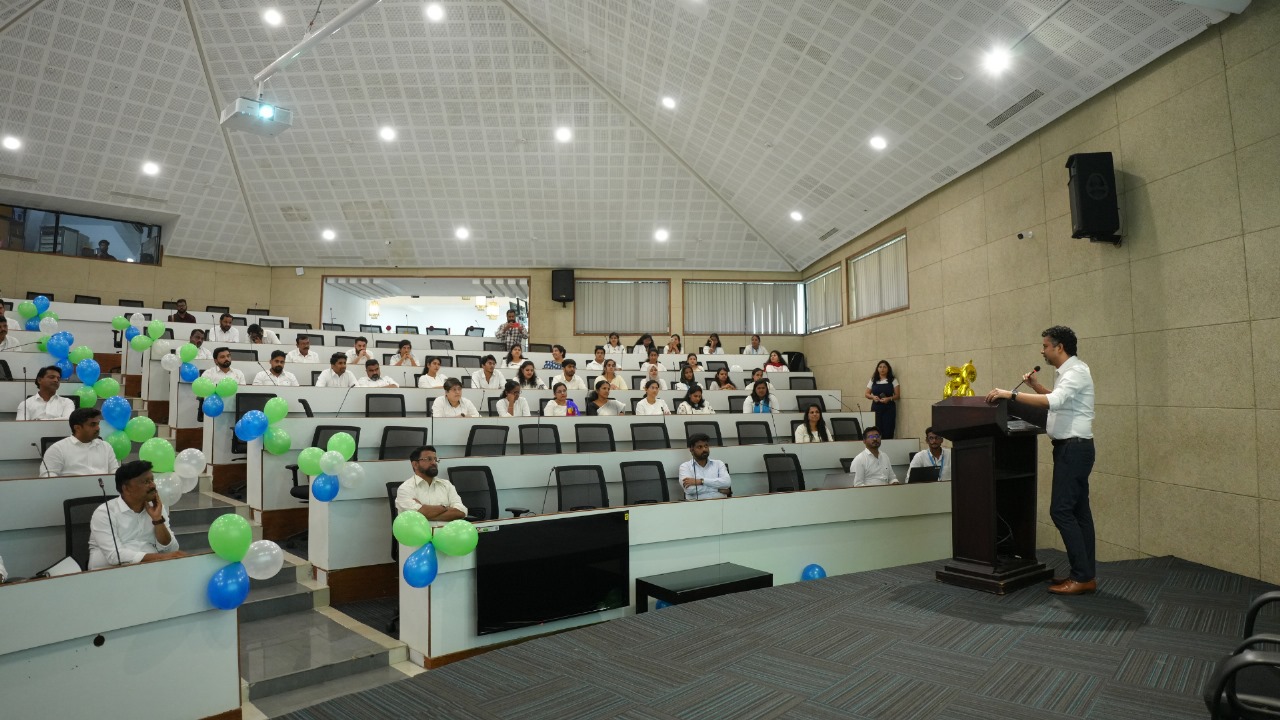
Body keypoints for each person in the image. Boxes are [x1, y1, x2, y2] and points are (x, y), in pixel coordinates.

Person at [985, 325, 1096, 595]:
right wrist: (1036, 387)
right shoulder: (1070, 372)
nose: (1042, 350)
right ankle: (1084, 575)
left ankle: (1082, 577)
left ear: (1059, 347)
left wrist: (1009, 395)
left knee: (1060, 511)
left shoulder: (1076, 371)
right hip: (1072, 449)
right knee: (1079, 513)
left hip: (1074, 449)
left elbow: (1054, 401)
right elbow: (1061, 400)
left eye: (1045, 345)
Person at [88, 461, 185, 569]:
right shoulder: (104, 513)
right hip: (108, 572)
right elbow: (115, 556)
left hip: (150, 569)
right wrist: (161, 557)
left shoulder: (157, 508)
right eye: (146, 482)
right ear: (126, 488)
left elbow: (172, 549)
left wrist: (157, 520)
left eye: (152, 480)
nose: (153, 485)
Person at [41, 408, 120, 477]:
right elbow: (48, 478)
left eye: (98, 424)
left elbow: (115, 474)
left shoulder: (106, 447)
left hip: (104, 492)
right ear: (77, 428)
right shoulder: (57, 449)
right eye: (93, 424)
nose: (98, 428)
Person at [394, 446, 466, 520]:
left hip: (447, 531)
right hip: (420, 531)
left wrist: (426, 513)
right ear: (415, 464)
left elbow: (461, 512)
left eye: (435, 459)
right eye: (428, 459)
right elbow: (415, 516)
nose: (434, 463)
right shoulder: (405, 488)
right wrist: (445, 508)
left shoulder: (446, 485)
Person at [678, 433, 731, 500]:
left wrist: (700, 481)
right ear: (691, 449)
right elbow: (689, 489)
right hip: (697, 506)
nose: (704, 449)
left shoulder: (719, 464)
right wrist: (717, 489)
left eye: (706, 446)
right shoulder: (685, 467)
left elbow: (727, 482)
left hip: (721, 504)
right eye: (700, 447)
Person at [865, 360, 900, 439]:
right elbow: (866, 394)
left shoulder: (893, 380)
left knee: (888, 430)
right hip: (876, 408)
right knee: (877, 430)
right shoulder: (873, 380)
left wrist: (889, 398)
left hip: (889, 408)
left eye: (884, 367)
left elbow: (897, 395)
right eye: (880, 367)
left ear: (888, 369)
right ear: (877, 369)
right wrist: (873, 397)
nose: (882, 369)